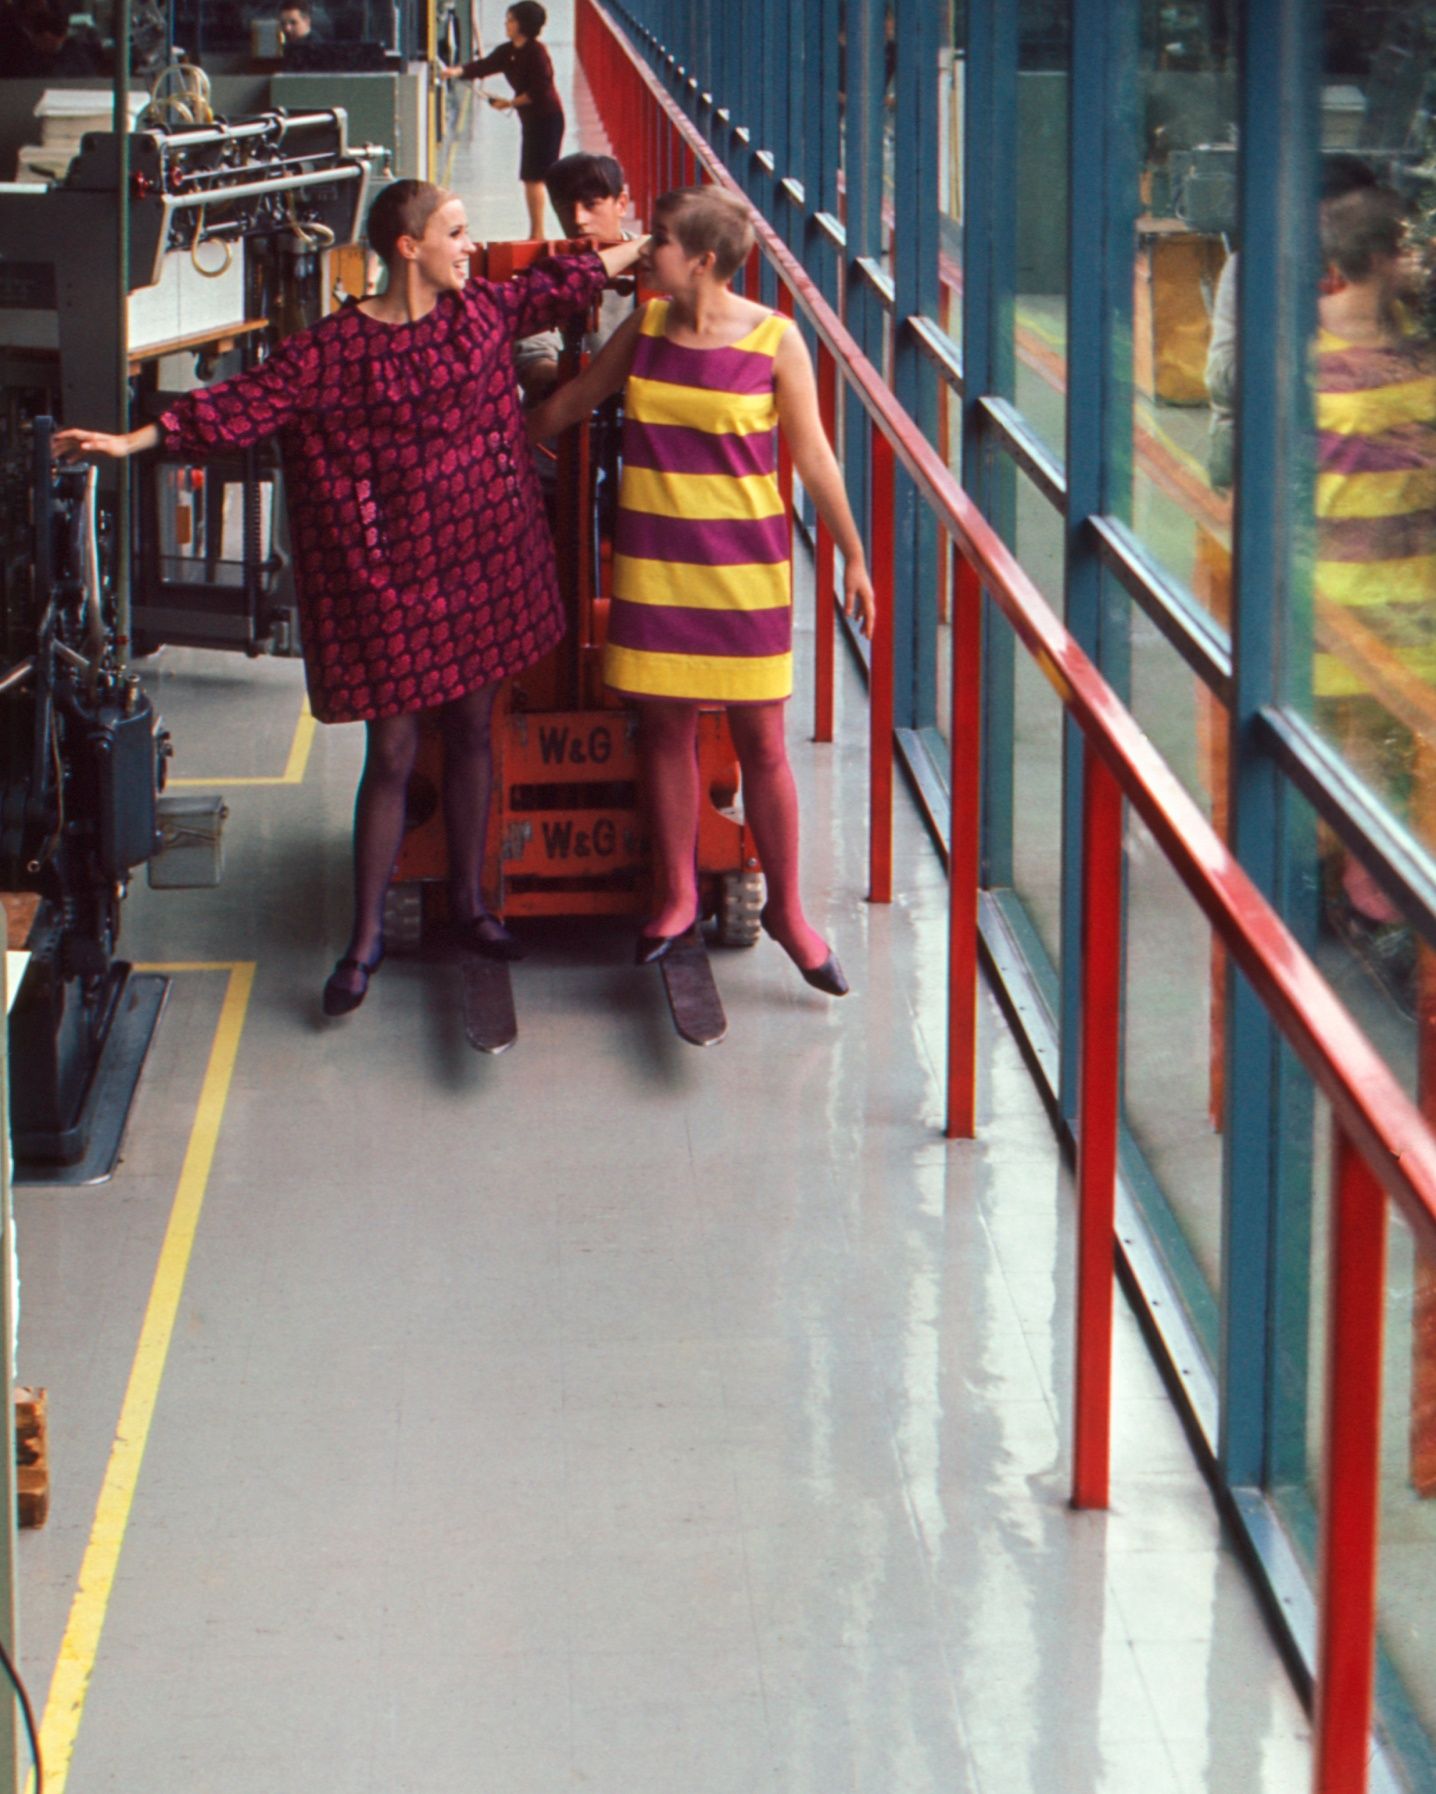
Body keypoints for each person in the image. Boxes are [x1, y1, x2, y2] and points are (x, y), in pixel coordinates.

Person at [56, 179, 647, 1016]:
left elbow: (560, 282)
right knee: (395, 753)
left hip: (482, 566)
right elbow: (239, 405)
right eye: (455, 231)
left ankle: (473, 905)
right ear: (409, 247)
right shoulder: (330, 351)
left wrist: (646, 251)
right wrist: (129, 439)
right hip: (396, 584)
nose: (468, 246)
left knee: (476, 728)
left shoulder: (479, 313)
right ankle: (364, 937)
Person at [527, 185, 876, 994]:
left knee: (762, 743)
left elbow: (816, 459)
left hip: (743, 575)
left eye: (662, 243)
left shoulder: (776, 341)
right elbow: (576, 403)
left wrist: (854, 557)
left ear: (704, 262)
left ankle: (789, 911)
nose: (647, 252)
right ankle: (677, 895)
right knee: (664, 732)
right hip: (655, 566)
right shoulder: (644, 329)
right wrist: (485, 444)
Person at [1311, 179, 1436, 1011]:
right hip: (1353, 603)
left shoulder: (1409, 349)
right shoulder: (1323, 359)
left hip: (1404, 593)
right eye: (1410, 245)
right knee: (1366, 751)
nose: (1420, 256)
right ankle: (1371, 899)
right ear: (1383, 257)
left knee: (1392, 749)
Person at [514, 151, 638, 397]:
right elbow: (533, 366)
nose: (578, 220)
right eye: (564, 208)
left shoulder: (658, 265)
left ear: (621, 204)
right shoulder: (543, 271)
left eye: (591, 205)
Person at [442, 3, 564, 241]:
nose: (506, 24)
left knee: (535, 177)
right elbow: (484, 66)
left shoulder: (537, 53)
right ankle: (536, 232)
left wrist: (509, 103)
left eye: (510, 20)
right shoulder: (509, 51)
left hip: (547, 120)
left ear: (523, 25)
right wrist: (455, 72)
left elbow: (540, 90)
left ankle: (538, 234)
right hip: (531, 120)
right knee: (531, 176)